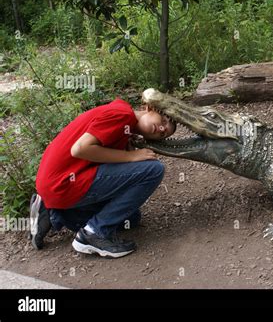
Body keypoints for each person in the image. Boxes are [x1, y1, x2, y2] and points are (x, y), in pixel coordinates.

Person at [30, 97, 176, 258]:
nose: (161, 128)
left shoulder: (124, 122)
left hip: (54, 184)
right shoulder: (122, 116)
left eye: (164, 133)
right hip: (62, 183)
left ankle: (52, 212)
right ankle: (94, 233)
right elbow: (79, 149)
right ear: (150, 108)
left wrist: (127, 150)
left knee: (131, 219)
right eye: (163, 120)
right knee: (154, 170)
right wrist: (132, 157)